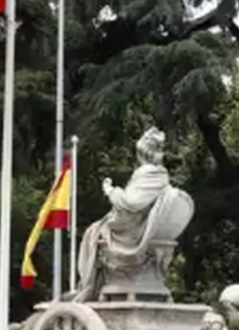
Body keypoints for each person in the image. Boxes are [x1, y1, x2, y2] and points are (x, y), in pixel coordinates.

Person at [69, 127, 170, 302]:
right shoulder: (161, 175)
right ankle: (90, 284)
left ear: (142, 154)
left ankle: (88, 285)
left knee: (92, 233)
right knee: (93, 231)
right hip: (138, 224)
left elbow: (130, 203)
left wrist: (110, 191)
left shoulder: (148, 174)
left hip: (131, 228)